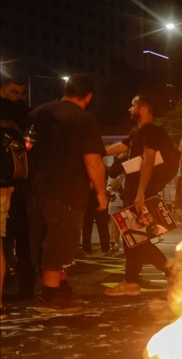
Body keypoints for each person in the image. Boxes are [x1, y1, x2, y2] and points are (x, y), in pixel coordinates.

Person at [26, 74, 108, 312]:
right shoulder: (84, 119)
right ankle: (49, 295)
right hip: (66, 190)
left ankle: (62, 288)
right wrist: (101, 193)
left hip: (34, 188)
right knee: (60, 242)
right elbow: (93, 161)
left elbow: (26, 147)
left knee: (44, 240)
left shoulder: (37, 113)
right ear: (88, 96)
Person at [103, 93, 176, 297]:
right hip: (136, 193)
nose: (129, 109)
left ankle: (169, 273)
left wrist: (141, 192)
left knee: (137, 239)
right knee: (133, 240)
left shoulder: (151, 131)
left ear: (143, 109)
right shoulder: (138, 133)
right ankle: (132, 281)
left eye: (132, 105)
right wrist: (91, 150)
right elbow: (114, 148)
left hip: (141, 194)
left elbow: (149, 160)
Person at [1, 73, 29, 316]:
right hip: (9, 186)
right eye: (13, 92)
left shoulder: (19, 117)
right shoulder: (17, 117)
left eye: (21, 93)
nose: (18, 98)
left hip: (8, 187)